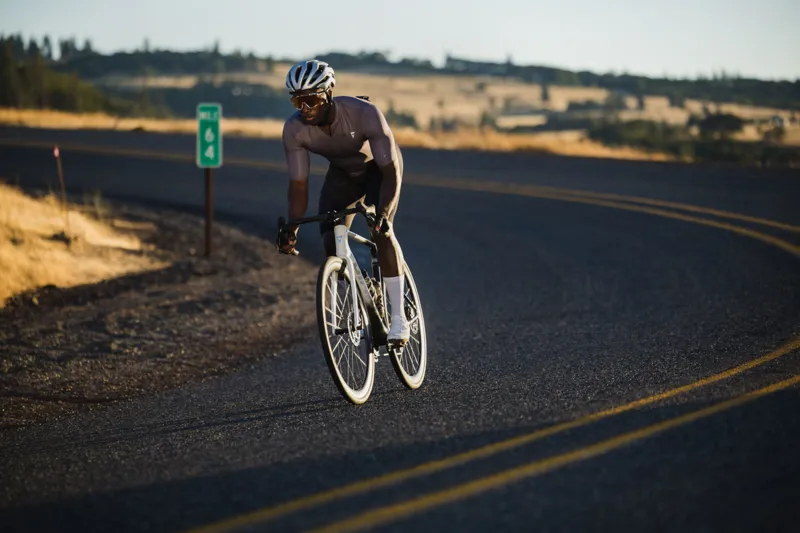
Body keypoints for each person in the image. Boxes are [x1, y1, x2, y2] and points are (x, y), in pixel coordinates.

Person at [276, 59, 410, 344]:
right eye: (297, 101)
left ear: (328, 93)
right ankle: (359, 292)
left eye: (311, 99)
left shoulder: (364, 113)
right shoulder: (295, 130)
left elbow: (391, 172)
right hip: (343, 176)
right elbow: (299, 184)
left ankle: (399, 319)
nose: (305, 109)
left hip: (379, 170)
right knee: (328, 237)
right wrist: (293, 227)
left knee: (381, 232)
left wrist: (383, 214)